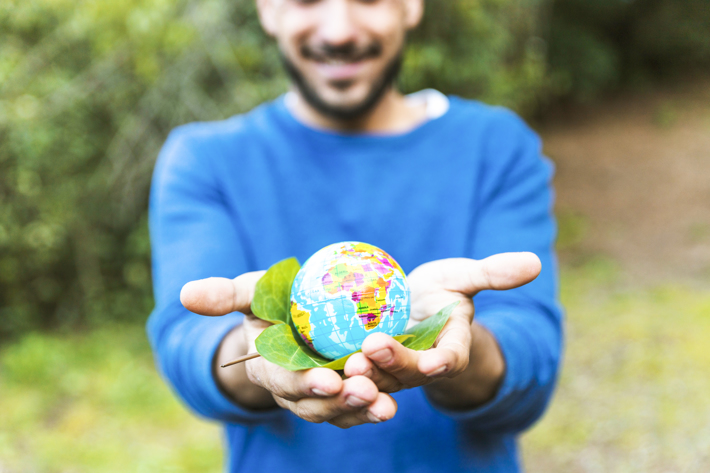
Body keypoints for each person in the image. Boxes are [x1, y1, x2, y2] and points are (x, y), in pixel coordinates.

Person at [146, 0, 563, 472]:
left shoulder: (496, 147)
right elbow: (186, 346)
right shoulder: (206, 159)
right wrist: (256, 352)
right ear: (266, 8)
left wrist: (451, 347)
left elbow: (532, 360)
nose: (339, 30)